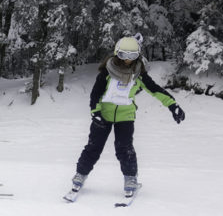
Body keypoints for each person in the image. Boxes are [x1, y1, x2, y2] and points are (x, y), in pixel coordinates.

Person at [69, 35, 185, 199]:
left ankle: (130, 179)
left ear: (138, 55)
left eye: (132, 56)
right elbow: (95, 94)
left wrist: (173, 106)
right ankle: (80, 175)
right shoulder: (107, 72)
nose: (128, 60)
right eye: (124, 55)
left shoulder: (139, 74)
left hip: (126, 117)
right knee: (93, 147)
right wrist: (96, 113)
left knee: (124, 149)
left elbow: (156, 90)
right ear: (117, 53)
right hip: (103, 115)